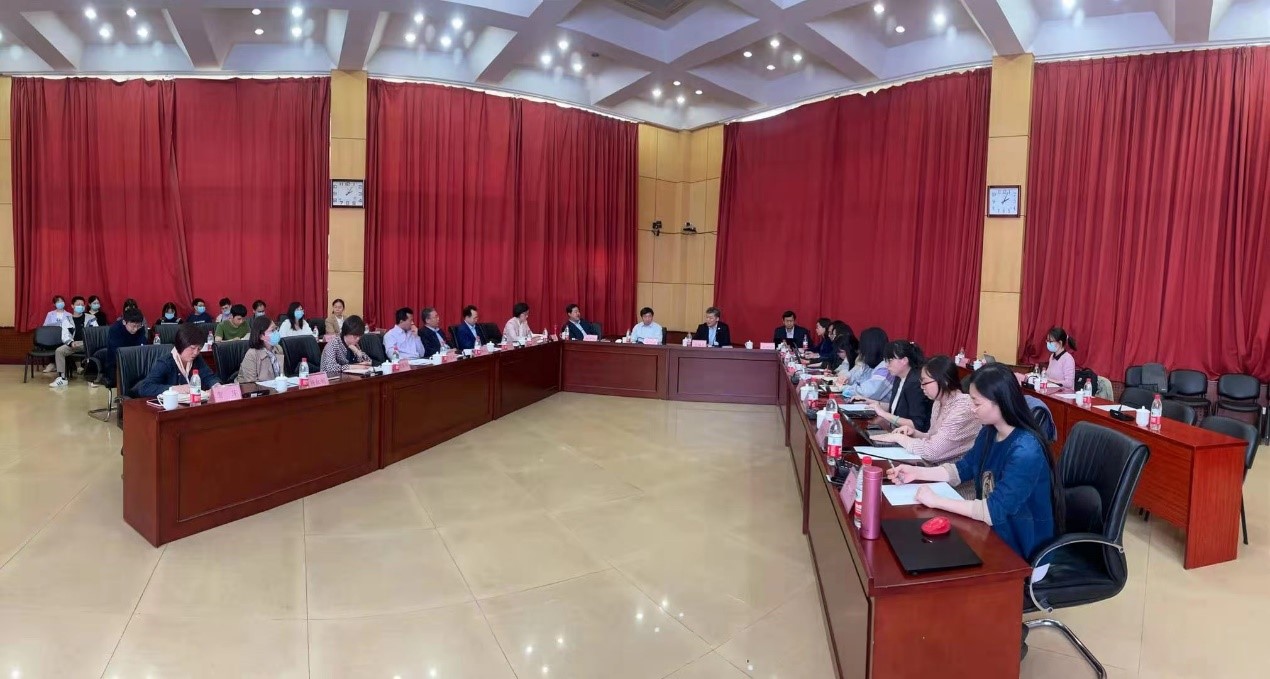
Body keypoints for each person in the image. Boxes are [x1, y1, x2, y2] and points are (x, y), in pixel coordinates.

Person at [885, 363, 1062, 562]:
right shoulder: (989, 432)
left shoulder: (1025, 451)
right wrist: (917, 473)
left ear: (1000, 401)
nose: (972, 408)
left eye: (976, 403)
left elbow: (993, 511)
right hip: (989, 534)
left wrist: (936, 501)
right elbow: (964, 468)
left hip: (1023, 551)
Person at [873, 355, 980, 464]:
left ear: (944, 381)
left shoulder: (962, 407)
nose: (922, 387)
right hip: (936, 466)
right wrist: (914, 433)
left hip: (954, 471)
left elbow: (932, 452)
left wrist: (898, 438)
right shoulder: (938, 402)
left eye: (925, 382)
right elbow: (933, 438)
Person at [864, 340, 933, 432]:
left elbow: (917, 425)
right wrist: (872, 403)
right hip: (896, 432)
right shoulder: (899, 378)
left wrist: (884, 414)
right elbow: (897, 407)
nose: (887, 365)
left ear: (904, 361)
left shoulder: (914, 383)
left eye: (890, 361)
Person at [135, 323, 221, 397]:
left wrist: (216, 386)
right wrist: (174, 388)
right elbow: (145, 388)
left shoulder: (197, 358)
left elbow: (209, 376)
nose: (196, 352)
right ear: (182, 344)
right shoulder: (166, 362)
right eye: (192, 348)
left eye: (199, 349)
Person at [49, 296, 98, 388]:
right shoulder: (67, 319)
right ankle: (62, 378)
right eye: (78, 304)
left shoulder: (91, 318)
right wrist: (71, 343)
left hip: (88, 344)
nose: (81, 306)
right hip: (73, 344)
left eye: (82, 305)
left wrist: (86, 342)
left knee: (94, 351)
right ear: (72, 306)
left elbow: (96, 332)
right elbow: (65, 335)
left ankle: (92, 378)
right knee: (59, 351)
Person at [840, 326, 891, 401]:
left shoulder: (886, 367)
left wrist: (844, 388)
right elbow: (854, 377)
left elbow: (868, 392)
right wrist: (847, 378)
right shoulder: (868, 363)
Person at [99, 307, 145, 384]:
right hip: (116, 364)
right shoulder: (115, 330)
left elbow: (142, 346)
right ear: (124, 322)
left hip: (135, 362)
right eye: (133, 326)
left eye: (138, 326)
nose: (136, 329)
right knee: (126, 380)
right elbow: (116, 351)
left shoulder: (140, 328)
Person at [237, 316, 286, 384]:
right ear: (261, 336)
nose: (276, 332)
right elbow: (251, 384)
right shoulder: (252, 354)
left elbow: (281, 375)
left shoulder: (278, 349)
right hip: (257, 389)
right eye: (272, 330)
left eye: (276, 328)